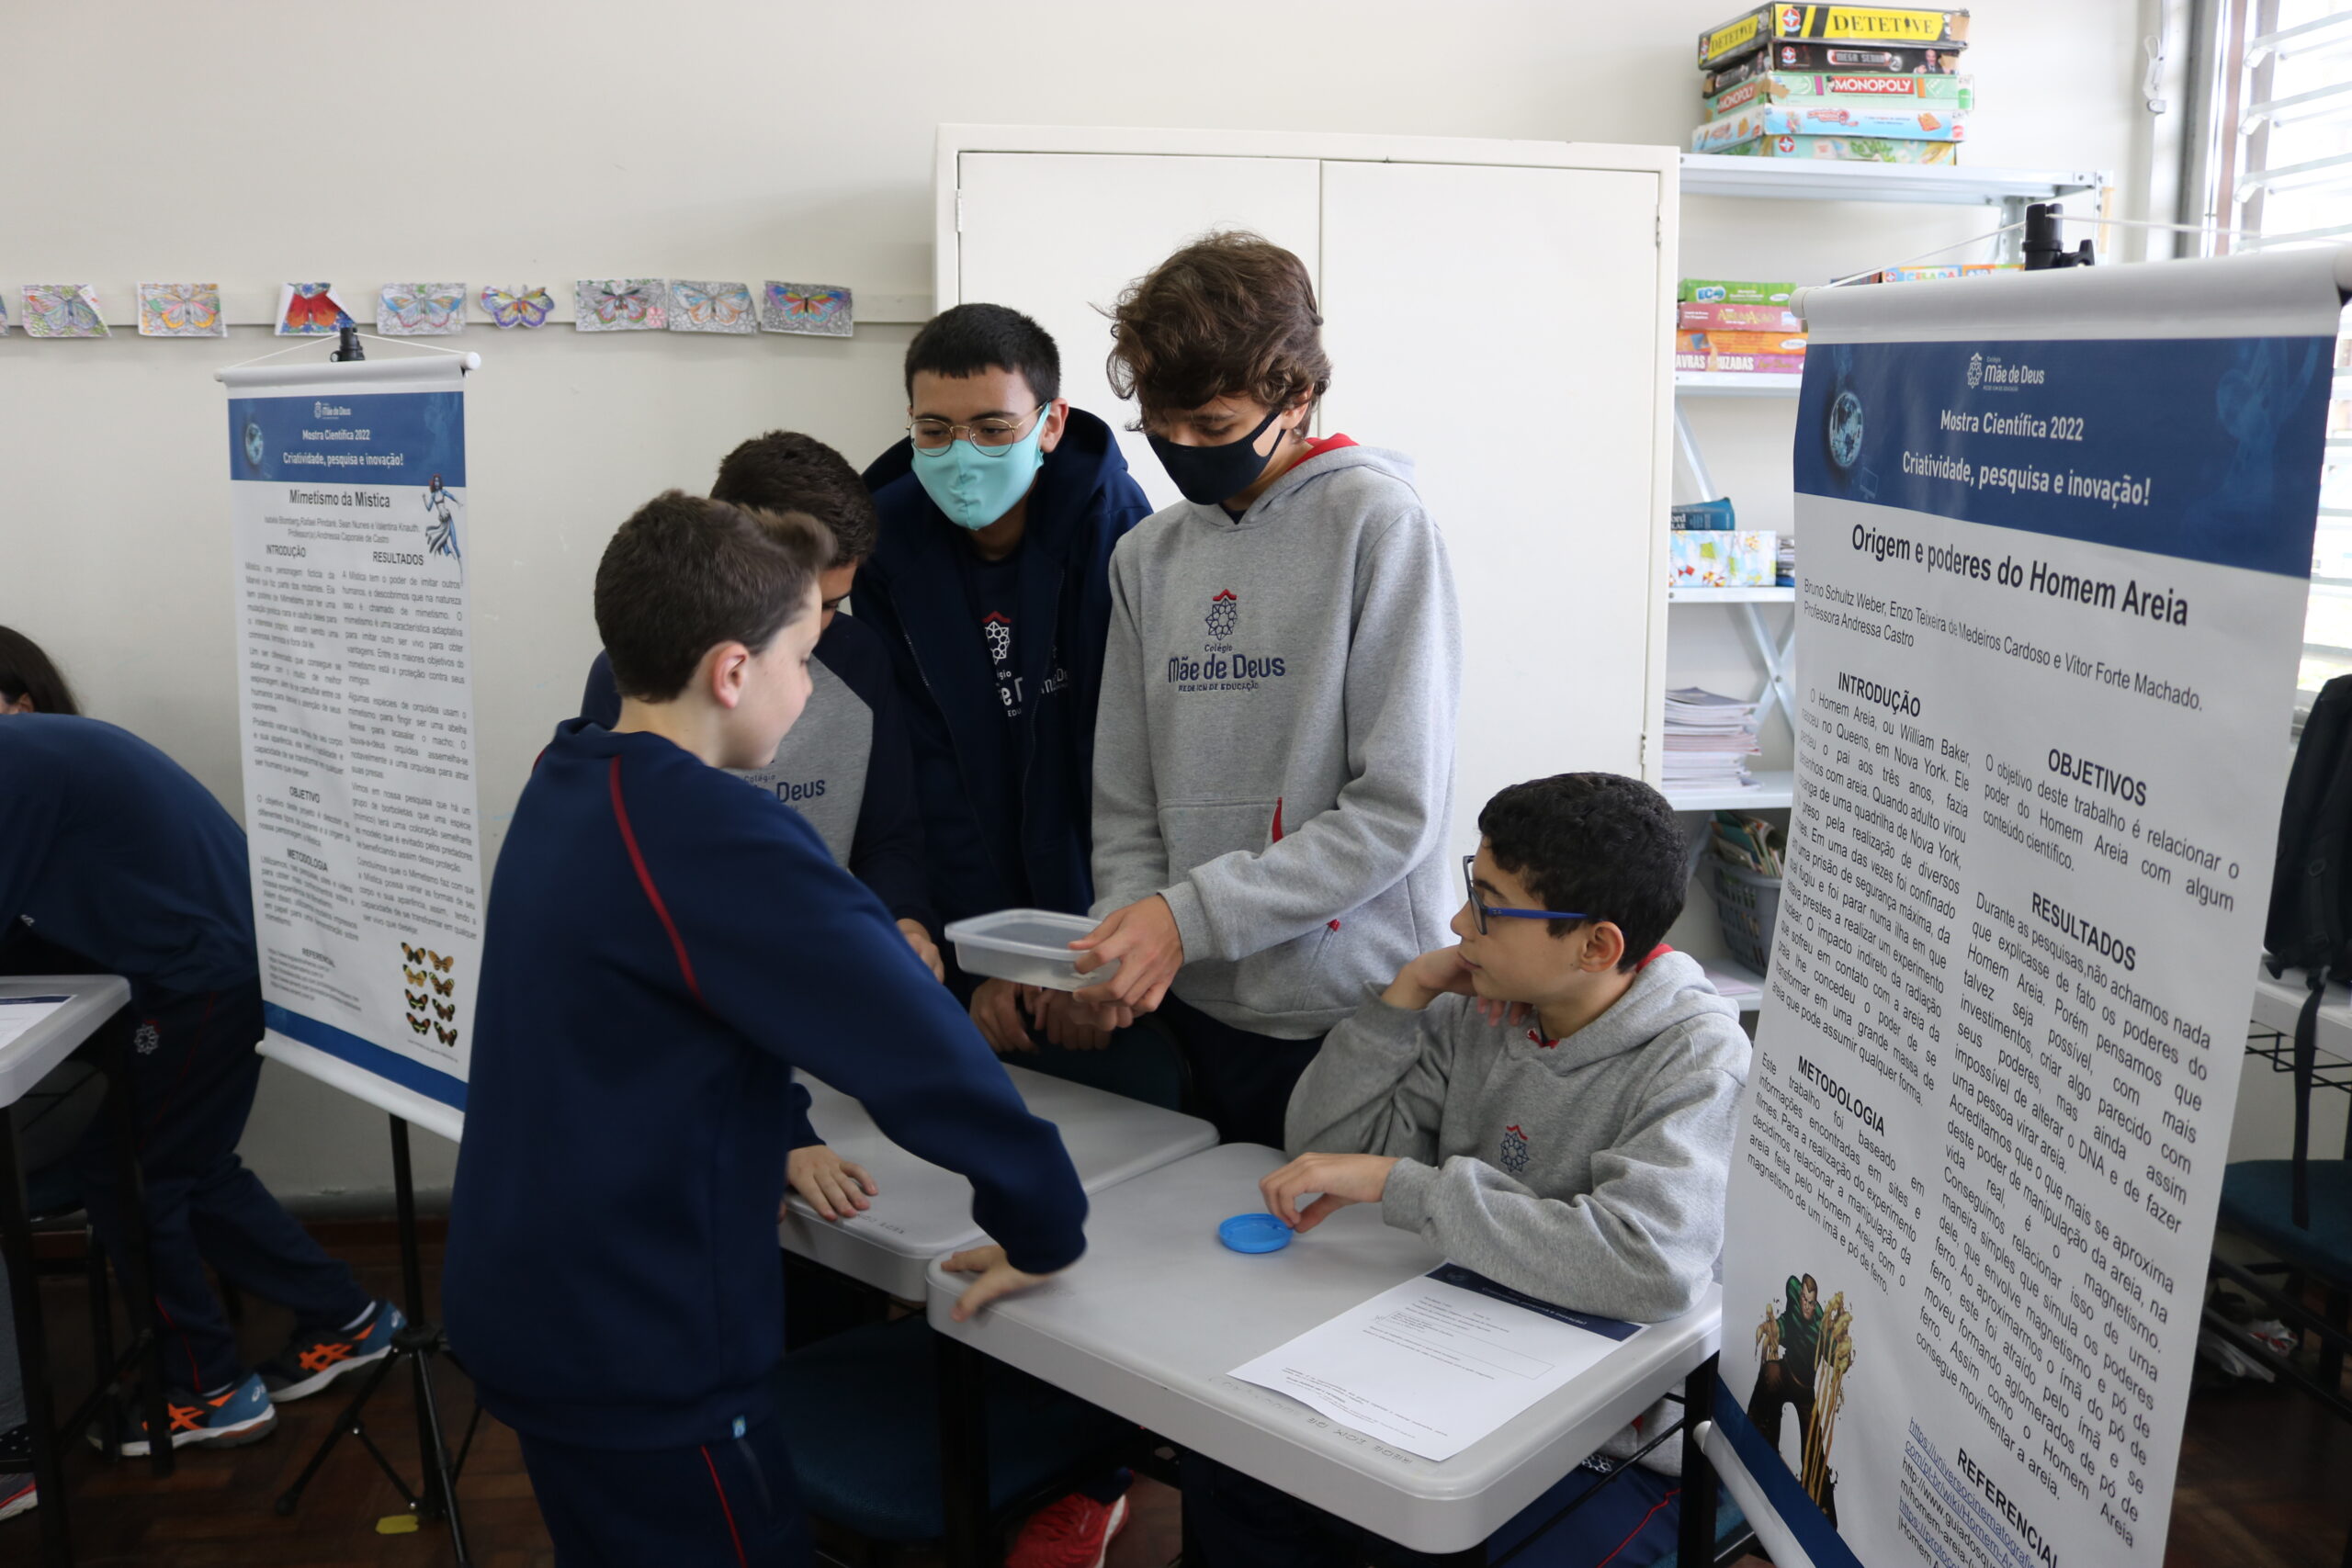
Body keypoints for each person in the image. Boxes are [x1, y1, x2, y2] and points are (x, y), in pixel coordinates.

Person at [444, 492, 1088, 1567]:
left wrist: (781, 1119)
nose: (811, 686)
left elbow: (655, 1018)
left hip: (533, 1309)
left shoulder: (572, 775)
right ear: (733, 672)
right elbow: (917, 1045)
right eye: (803, 658)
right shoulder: (716, 833)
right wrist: (1042, 1219)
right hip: (641, 1348)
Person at [1190, 773, 1751, 1567]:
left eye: (1489, 906)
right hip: (1454, 1364)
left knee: (1449, 1544)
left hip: (1618, 1435)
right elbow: (1322, 1153)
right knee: (1236, 1465)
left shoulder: (1696, 1054)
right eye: (1470, 888)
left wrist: (1402, 1184)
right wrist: (1403, 997)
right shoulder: (1480, 1005)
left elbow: (1647, 1264)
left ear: (1596, 946)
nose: (1459, 923)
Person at [1073, 231, 1464, 1147]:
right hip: (1186, 999)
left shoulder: (1379, 524)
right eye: (1160, 426)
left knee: (1331, 1238)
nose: (1181, 449)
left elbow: (1396, 808)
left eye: (1212, 427)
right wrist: (1129, 927)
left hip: (1352, 1008)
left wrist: (1186, 916)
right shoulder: (1147, 555)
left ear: (1297, 395)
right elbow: (1126, 797)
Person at [0, 709, 402, 1468]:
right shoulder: (33, 747)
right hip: (222, 962)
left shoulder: (12, 765)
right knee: (191, 1165)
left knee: (129, 1176)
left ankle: (204, 1387)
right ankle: (348, 1316)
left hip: (196, 977)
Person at [859, 304, 1154, 1071]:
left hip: (1110, 934)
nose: (962, 454)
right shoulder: (885, 547)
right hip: (975, 935)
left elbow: (1120, 765)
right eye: (934, 430)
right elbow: (926, 767)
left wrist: (1078, 954)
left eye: (993, 429)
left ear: (1050, 423)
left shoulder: (1117, 526)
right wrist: (992, 956)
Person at [581, 433, 939, 979]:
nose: (814, 631)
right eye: (802, 606)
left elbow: (888, 838)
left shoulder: (861, 662)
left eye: (833, 604)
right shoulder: (633, 677)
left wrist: (905, 925)